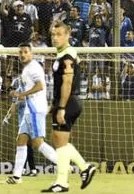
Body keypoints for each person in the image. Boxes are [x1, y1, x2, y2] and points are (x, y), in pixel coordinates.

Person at [43, 21, 96, 193]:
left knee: (60, 143)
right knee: (59, 141)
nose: (55, 38)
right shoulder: (62, 54)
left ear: (68, 35)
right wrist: (54, 104)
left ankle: (62, 182)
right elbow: (59, 84)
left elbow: (67, 82)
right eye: (53, 34)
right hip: (64, 102)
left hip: (69, 102)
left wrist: (62, 107)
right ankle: (84, 168)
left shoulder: (68, 55)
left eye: (59, 34)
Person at [6, 42, 58, 184]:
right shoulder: (27, 69)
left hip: (35, 109)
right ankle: (16, 176)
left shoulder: (34, 67)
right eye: (20, 52)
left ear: (31, 53)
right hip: (29, 109)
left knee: (38, 143)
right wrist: (19, 94)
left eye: (25, 52)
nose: (22, 54)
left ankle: (63, 163)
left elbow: (40, 86)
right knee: (21, 139)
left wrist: (22, 93)